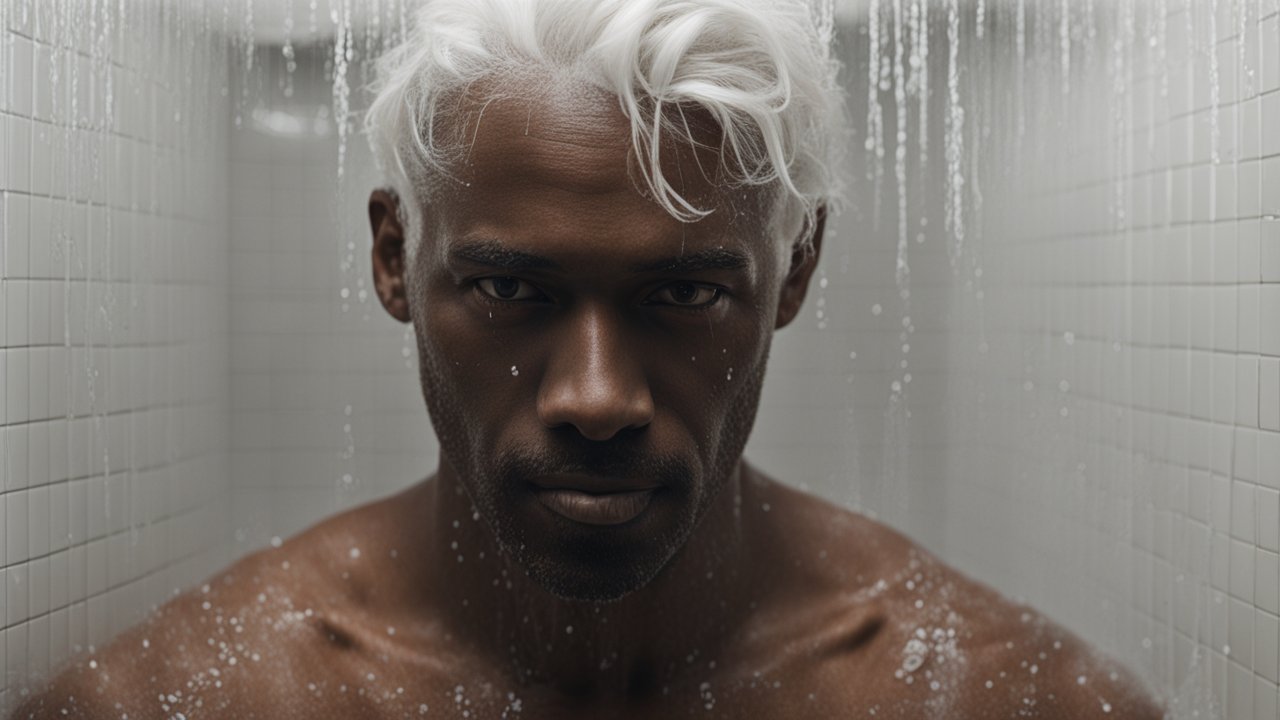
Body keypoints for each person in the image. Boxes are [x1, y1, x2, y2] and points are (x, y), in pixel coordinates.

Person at [16, 0, 1163, 717]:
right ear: (391, 260)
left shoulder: (1004, 697)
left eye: (686, 293)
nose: (597, 399)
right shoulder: (179, 701)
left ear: (795, 271)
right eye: (511, 290)